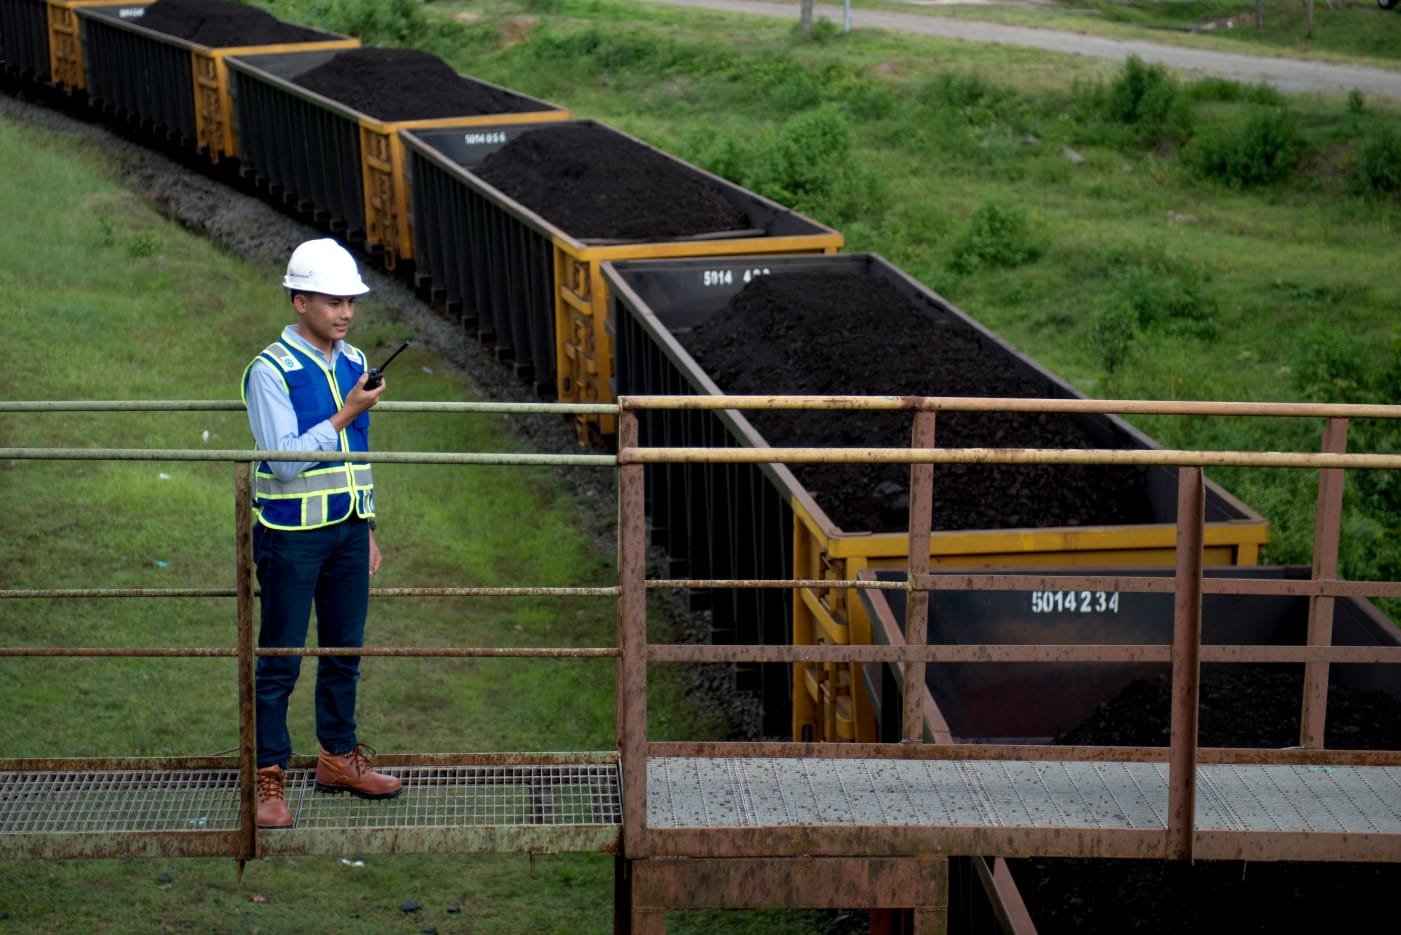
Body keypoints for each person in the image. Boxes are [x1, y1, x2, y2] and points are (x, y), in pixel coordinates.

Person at [240, 238, 403, 829]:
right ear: (299, 300)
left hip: (349, 533)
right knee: (280, 658)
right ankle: (269, 777)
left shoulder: (357, 364)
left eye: (351, 301)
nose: (345, 312)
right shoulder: (269, 371)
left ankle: (337, 758)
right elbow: (283, 462)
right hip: (290, 535)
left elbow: (359, 455)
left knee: (344, 653)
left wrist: (369, 524)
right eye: (333, 300)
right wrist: (345, 414)